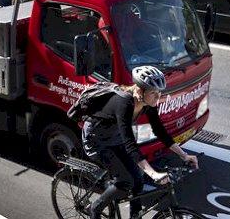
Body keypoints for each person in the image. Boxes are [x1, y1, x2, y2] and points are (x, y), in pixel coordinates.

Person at [82, 66, 199, 219]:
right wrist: (152, 173)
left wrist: (184, 155)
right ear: (139, 91)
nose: (158, 97)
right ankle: (95, 208)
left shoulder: (147, 103)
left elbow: (160, 132)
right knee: (125, 182)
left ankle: (134, 215)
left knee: (138, 177)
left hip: (114, 137)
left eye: (159, 92)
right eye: (153, 93)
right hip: (96, 140)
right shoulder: (123, 102)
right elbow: (130, 143)